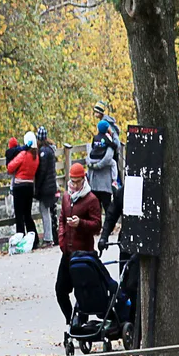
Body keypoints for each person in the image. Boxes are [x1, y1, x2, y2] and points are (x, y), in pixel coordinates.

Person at [55, 162, 105, 326]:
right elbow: (62, 219)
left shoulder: (91, 199)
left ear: (83, 180)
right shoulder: (66, 197)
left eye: (78, 181)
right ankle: (70, 320)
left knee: (82, 291)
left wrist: (81, 223)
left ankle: (80, 321)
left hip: (83, 254)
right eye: (72, 181)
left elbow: (97, 225)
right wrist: (61, 240)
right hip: (68, 252)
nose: (75, 185)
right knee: (60, 289)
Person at [86, 130, 122, 248]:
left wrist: (91, 172)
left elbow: (89, 163)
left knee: (98, 206)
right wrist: (114, 180)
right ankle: (105, 228)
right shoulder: (109, 146)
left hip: (95, 183)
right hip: (105, 184)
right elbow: (111, 163)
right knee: (107, 206)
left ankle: (98, 227)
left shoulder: (93, 149)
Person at [7, 131, 40, 240]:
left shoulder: (23, 154)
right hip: (30, 185)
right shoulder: (36, 156)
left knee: (19, 215)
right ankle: (33, 238)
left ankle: (20, 237)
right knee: (27, 214)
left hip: (19, 186)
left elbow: (10, 167)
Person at [33, 127, 59, 252]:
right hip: (51, 185)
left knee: (44, 211)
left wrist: (37, 188)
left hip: (46, 187)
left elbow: (42, 171)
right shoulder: (50, 150)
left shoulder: (43, 152)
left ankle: (48, 238)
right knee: (48, 211)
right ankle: (51, 236)